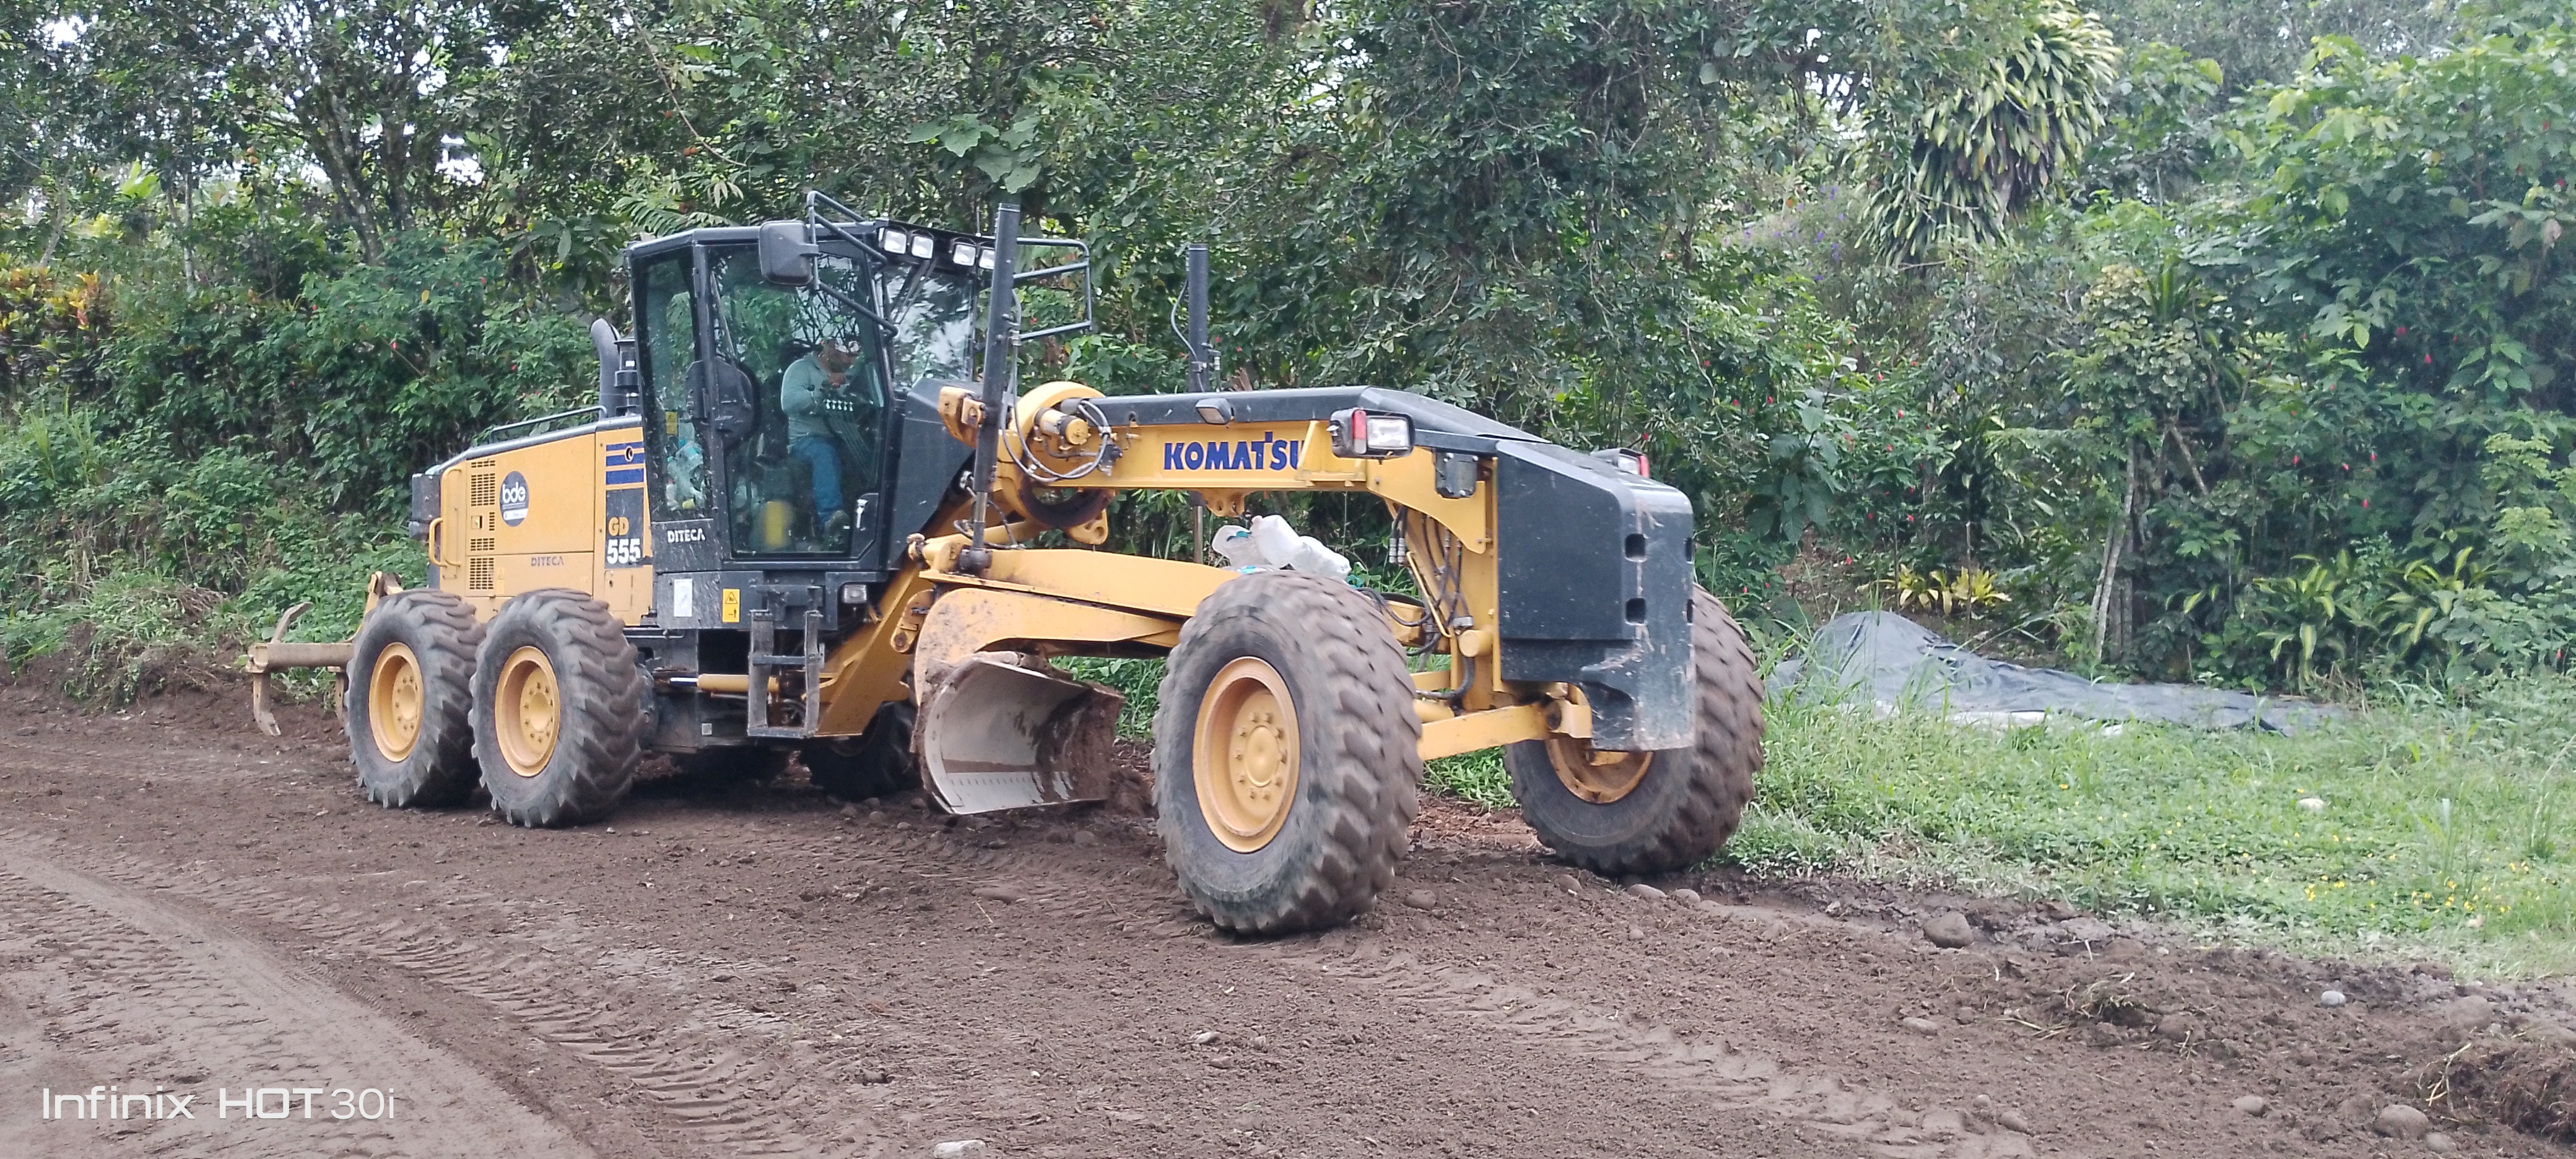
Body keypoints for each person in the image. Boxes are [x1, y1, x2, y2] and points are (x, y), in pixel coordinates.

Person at [780, 338, 856, 535]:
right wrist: (822, 390)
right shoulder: (801, 369)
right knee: (824, 454)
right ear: (830, 348)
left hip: (844, 437)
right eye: (845, 356)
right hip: (806, 439)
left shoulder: (853, 375)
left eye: (852, 358)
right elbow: (788, 403)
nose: (849, 363)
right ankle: (831, 521)